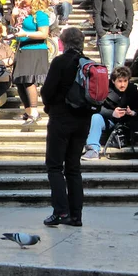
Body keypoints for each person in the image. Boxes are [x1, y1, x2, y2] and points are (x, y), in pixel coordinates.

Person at [41, 27, 92, 227]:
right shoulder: (88, 63)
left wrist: (50, 106)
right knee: (73, 168)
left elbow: (47, 90)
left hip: (61, 118)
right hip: (83, 120)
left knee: (54, 166)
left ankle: (61, 211)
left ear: (63, 43)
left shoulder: (60, 61)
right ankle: (76, 215)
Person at [82, 66, 138, 161]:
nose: (123, 84)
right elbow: (96, 108)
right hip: (110, 120)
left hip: (129, 121)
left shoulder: (132, 89)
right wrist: (112, 113)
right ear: (113, 81)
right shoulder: (105, 89)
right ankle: (93, 149)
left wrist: (133, 112)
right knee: (96, 117)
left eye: (125, 81)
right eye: (120, 81)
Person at [12, 0, 50, 125]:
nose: (22, 0)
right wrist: (13, 16)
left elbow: (44, 33)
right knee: (20, 81)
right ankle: (28, 112)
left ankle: (34, 112)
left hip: (35, 49)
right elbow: (15, 27)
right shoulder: (23, 13)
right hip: (23, 48)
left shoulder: (40, 14)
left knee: (28, 80)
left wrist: (26, 34)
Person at [94, 0, 133, 75]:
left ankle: (118, 91)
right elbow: (96, 13)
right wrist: (101, 32)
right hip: (106, 34)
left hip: (122, 34)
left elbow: (130, 11)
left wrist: (128, 30)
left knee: (120, 68)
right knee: (107, 68)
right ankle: (108, 91)